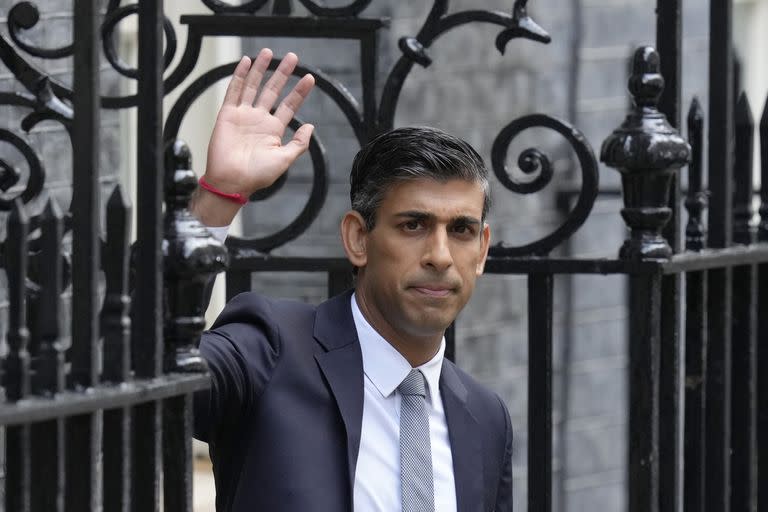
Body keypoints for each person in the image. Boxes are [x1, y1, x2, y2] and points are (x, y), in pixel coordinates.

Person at [191, 48, 513, 512]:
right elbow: (142, 372)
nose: (440, 256)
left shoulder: (485, 418)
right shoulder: (271, 349)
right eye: (413, 225)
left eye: (460, 230)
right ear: (358, 238)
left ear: (482, 250)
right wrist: (218, 199)